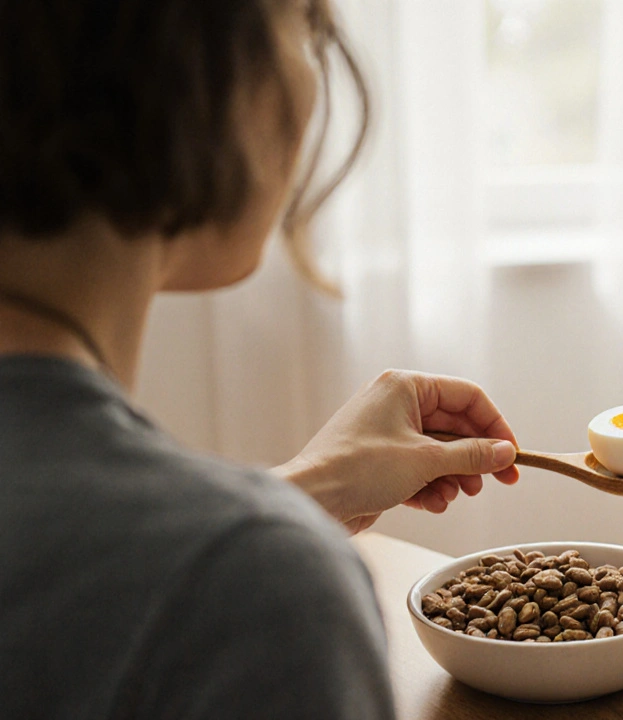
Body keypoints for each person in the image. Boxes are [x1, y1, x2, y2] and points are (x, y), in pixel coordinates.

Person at [0, 1, 518, 717]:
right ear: (196, 69)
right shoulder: (258, 598)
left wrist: (300, 492)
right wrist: (256, 544)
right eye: (306, 24)